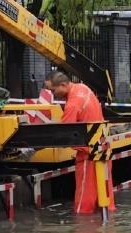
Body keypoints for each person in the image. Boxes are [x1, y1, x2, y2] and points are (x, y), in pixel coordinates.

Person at [46, 71, 104, 214]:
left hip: (87, 154)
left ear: (63, 85)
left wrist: (38, 145)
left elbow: (64, 134)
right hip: (102, 149)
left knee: (84, 205)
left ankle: (83, 232)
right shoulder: (84, 88)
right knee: (104, 197)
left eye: (53, 90)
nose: (52, 94)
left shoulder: (72, 104)